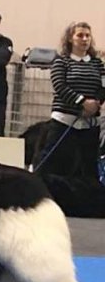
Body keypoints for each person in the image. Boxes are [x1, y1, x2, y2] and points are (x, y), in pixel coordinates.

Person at [35, 22, 104, 183]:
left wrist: (96, 103)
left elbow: (103, 86)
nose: (84, 39)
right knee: (50, 161)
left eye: (87, 35)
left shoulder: (97, 63)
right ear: (71, 39)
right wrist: (82, 103)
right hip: (64, 122)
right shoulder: (61, 61)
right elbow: (60, 85)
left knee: (89, 168)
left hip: (90, 124)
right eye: (80, 35)